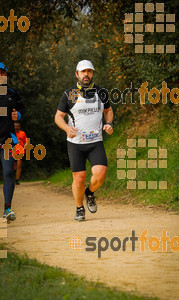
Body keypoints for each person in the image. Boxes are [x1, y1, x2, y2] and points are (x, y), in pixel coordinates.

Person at [55, 60, 114, 221]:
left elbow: (108, 111)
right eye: (83, 71)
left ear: (92, 73)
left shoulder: (101, 92)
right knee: (79, 177)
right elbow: (58, 117)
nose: (86, 74)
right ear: (77, 74)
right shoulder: (69, 94)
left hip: (95, 142)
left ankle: (90, 192)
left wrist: (109, 123)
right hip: (76, 143)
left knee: (100, 175)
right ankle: (79, 208)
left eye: (89, 71)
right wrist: (67, 128)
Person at [0, 62, 24, 221]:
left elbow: (21, 110)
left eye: (3, 73)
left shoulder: (12, 94)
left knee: (8, 172)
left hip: (7, 141)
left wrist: (18, 116)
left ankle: (7, 208)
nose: (1, 76)